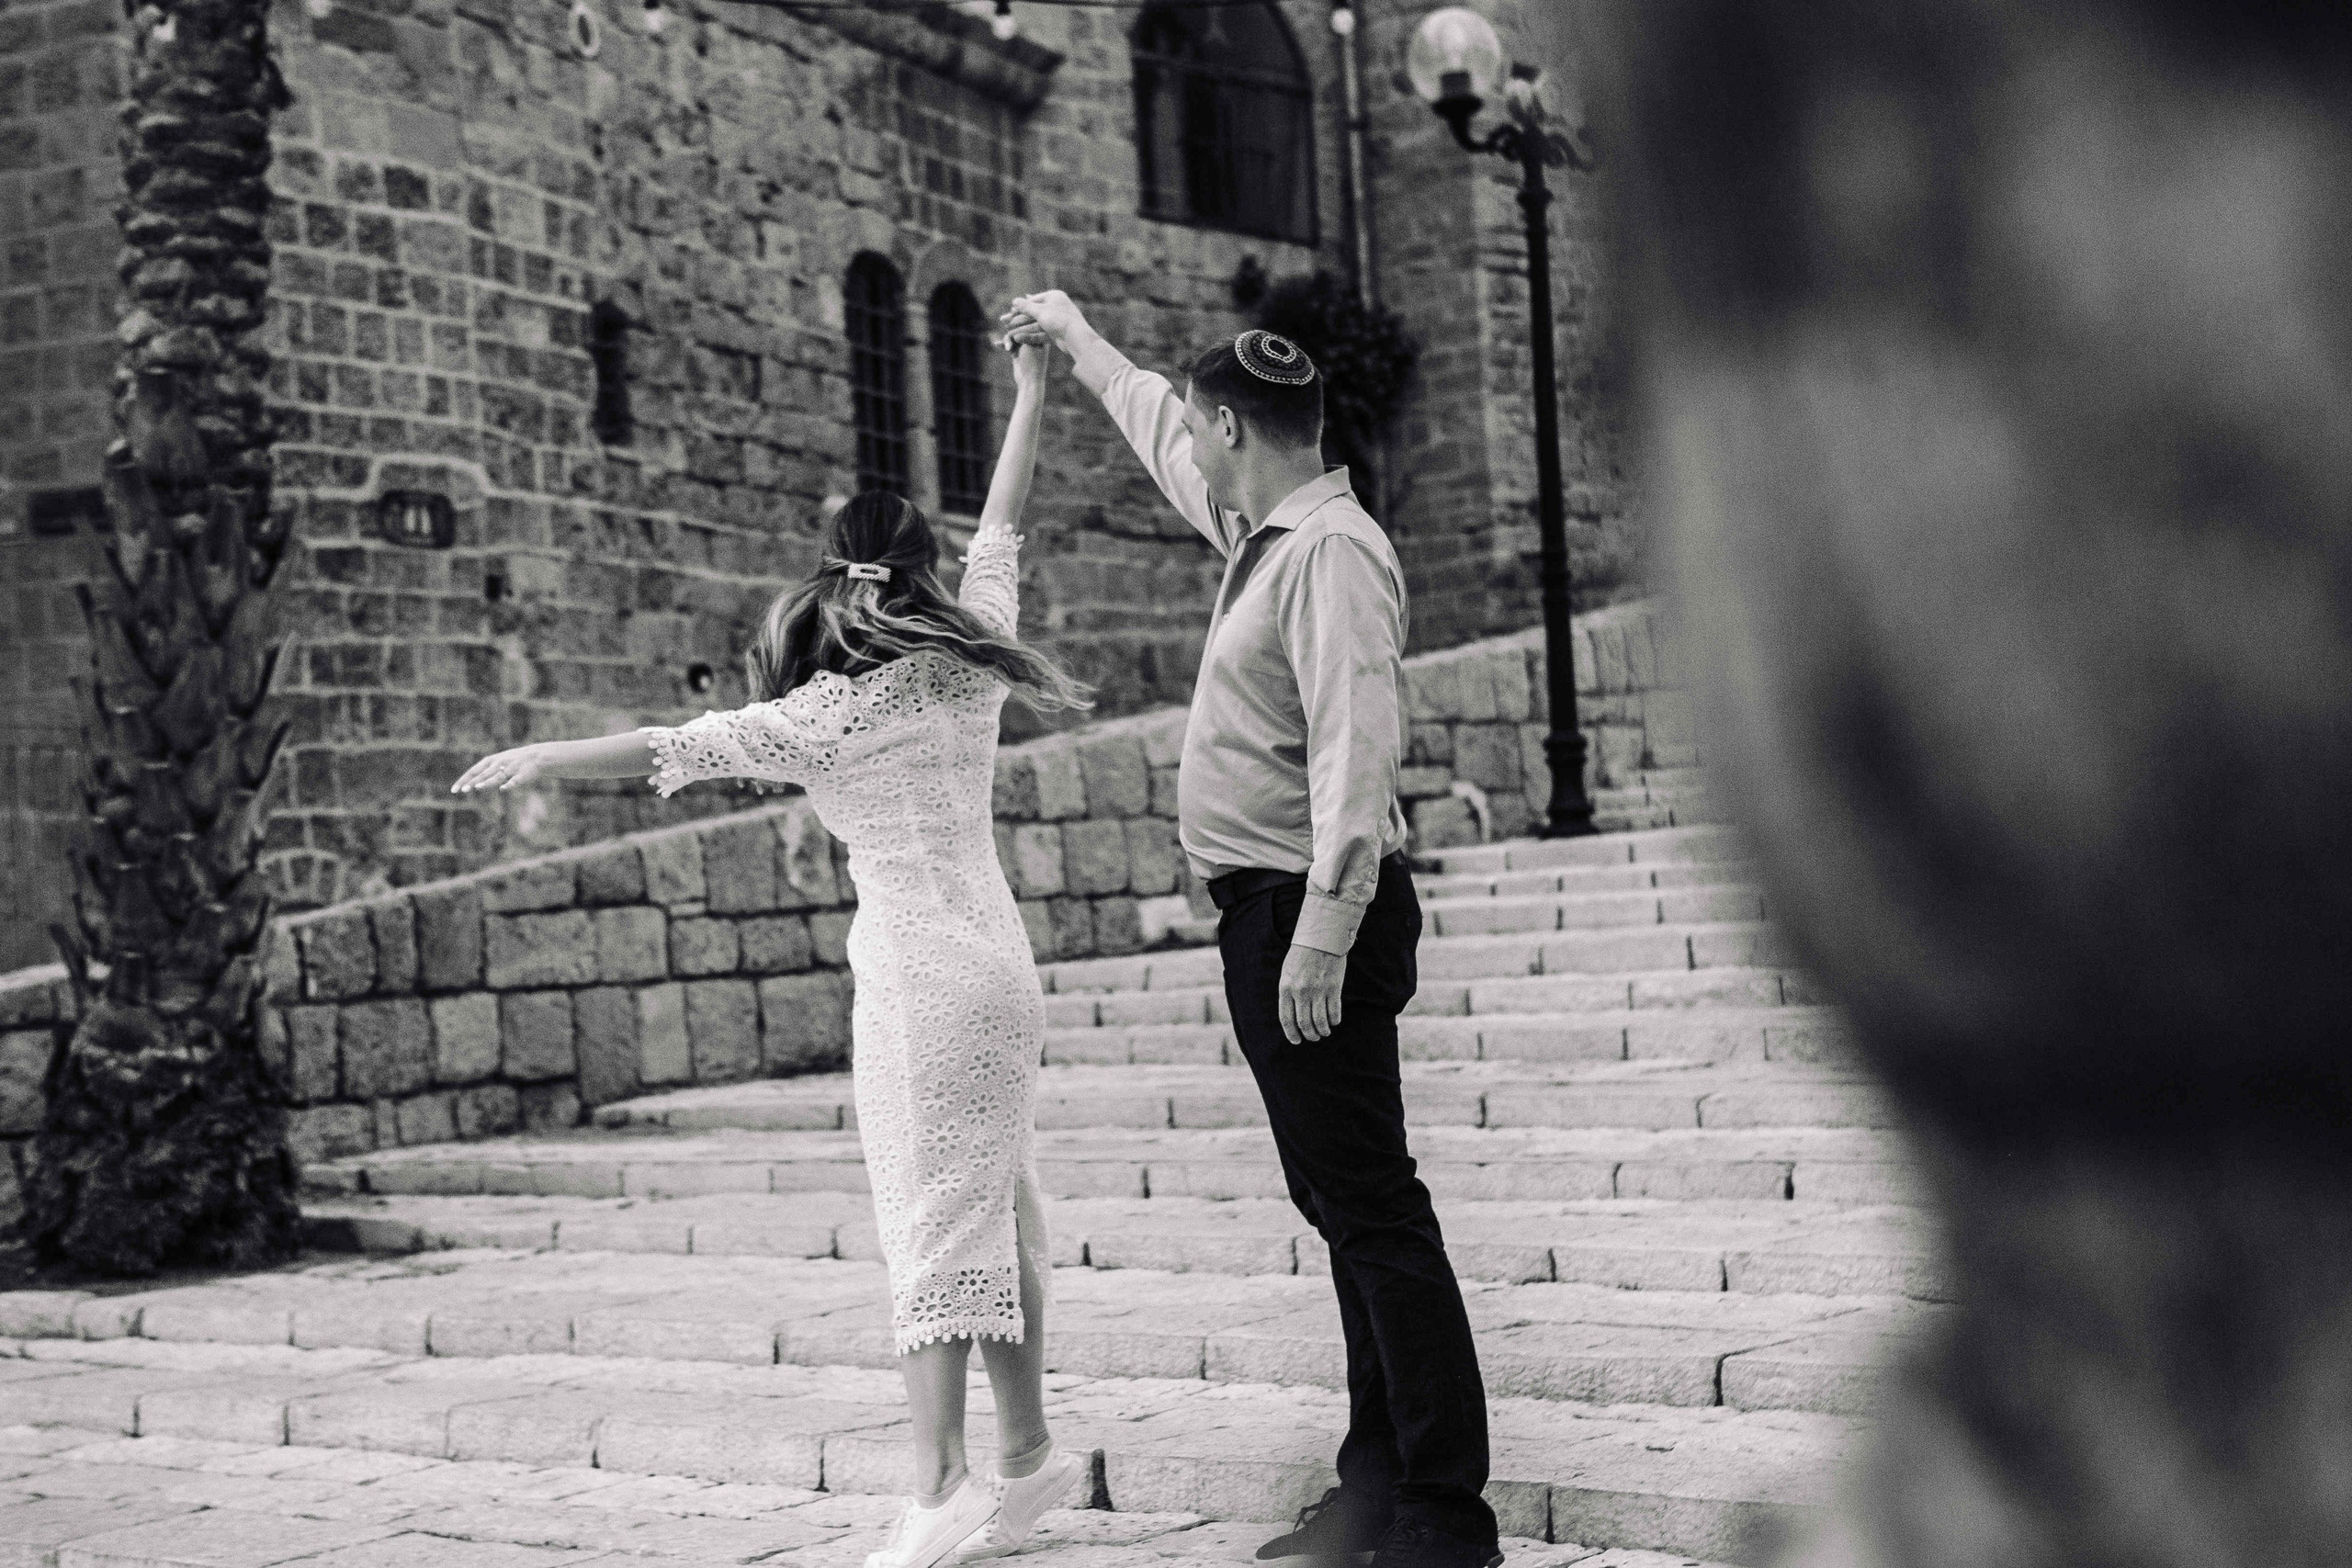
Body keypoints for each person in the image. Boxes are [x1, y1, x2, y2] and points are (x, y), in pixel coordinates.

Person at [453, 342, 1088, 1568]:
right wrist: (1029, 395)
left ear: (834, 576)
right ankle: (1025, 1456)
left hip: (919, 980)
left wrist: (545, 756)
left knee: (932, 1223)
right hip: (1001, 973)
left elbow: (670, 741)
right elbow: (1000, 527)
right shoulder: (973, 661)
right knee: (995, 1214)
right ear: (918, 566)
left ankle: (941, 1483)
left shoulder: (826, 718)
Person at [1003, 295, 1503, 1568]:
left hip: (1303, 909)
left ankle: (1445, 1516)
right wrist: (1075, 339)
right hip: (1272, 910)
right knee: (1346, 1204)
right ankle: (1377, 1484)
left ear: (1236, 423)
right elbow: (1159, 434)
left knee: (1375, 1210)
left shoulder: (1328, 552)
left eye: (1203, 424)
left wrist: (1323, 935)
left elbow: (1356, 746)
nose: (1192, 442)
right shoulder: (1268, 530)